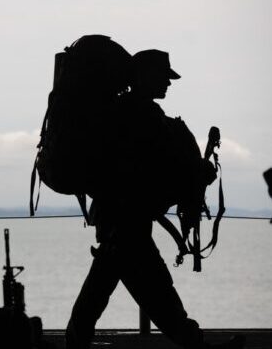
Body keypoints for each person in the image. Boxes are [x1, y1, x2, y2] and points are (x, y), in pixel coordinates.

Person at [65, 50, 244, 349]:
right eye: (164, 76)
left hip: (118, 217)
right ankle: (194, 343)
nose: (168, 83)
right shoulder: (140, 114)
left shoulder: (126, 111)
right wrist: (200, 171)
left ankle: (75, 341)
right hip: (126, 218)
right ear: (144, 76)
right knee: (155, 290)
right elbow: (162, 163)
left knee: (113, 286)